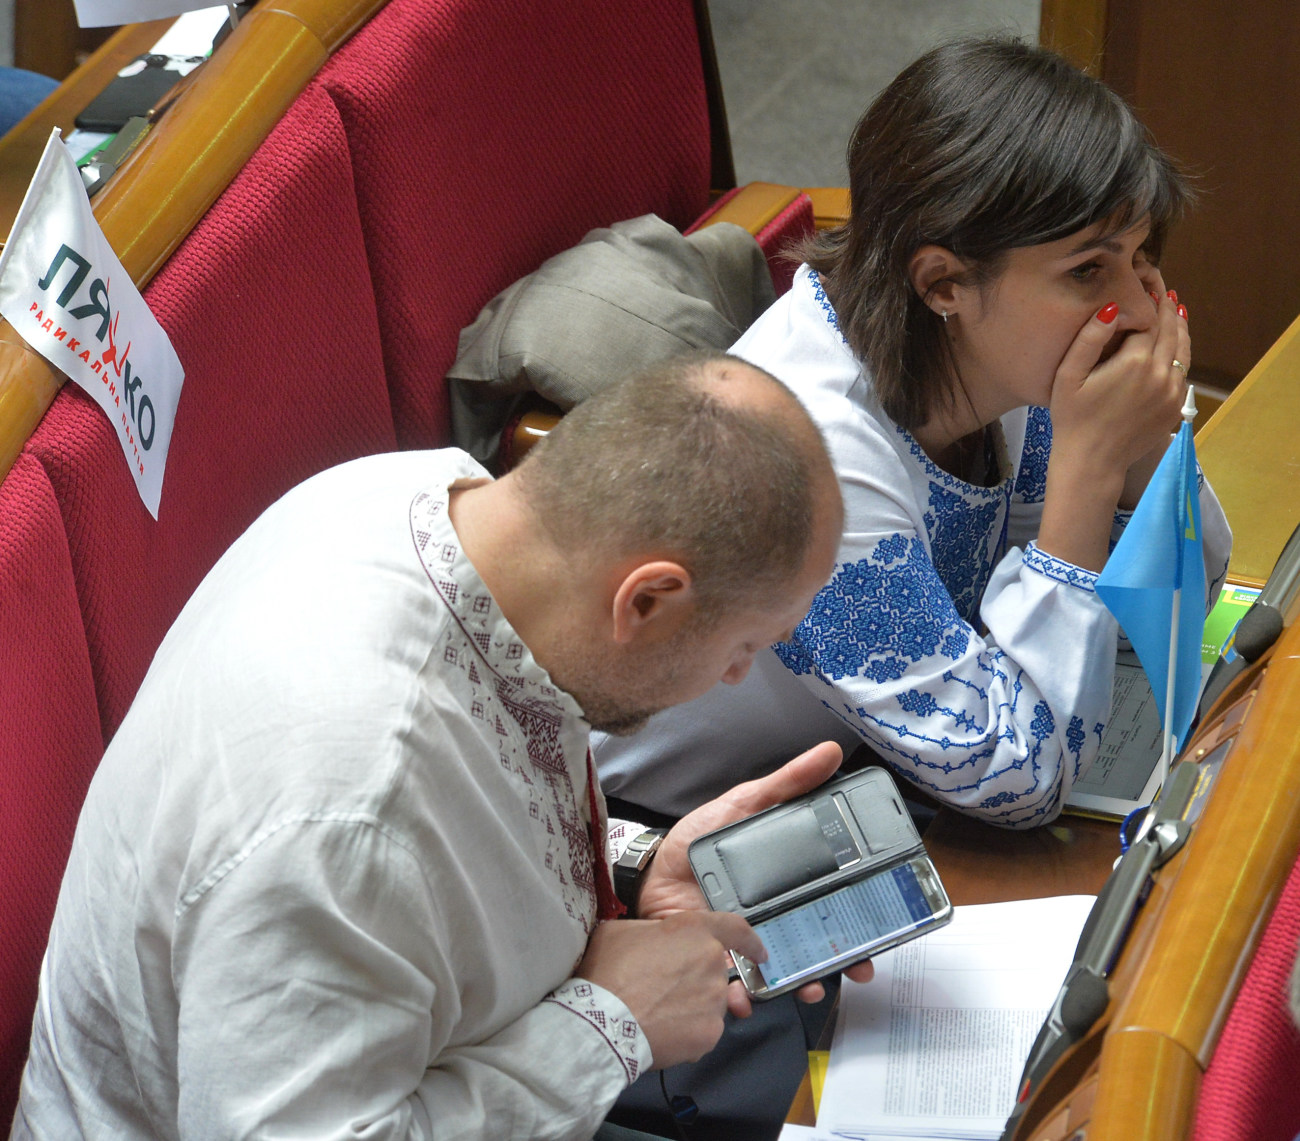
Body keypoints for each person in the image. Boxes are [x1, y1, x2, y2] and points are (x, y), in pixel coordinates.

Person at [10, 352, 865, 1141]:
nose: (732, 679)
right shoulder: (347, 812)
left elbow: (471, 816)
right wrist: (608, 1024)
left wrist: (633, 865)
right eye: (743, 648)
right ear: (645, 600)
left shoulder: (428, 499)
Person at [596, 36, 1232, 830]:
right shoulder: (812, 460)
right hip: (679, 839)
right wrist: (1092, 469)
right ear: (943, 282)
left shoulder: (1012, 357)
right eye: (1087, 271)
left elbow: (1185, 602)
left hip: (879, 769)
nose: (1138, 309)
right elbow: (1017, 779)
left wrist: (1137, 445)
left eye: (1142, 259)